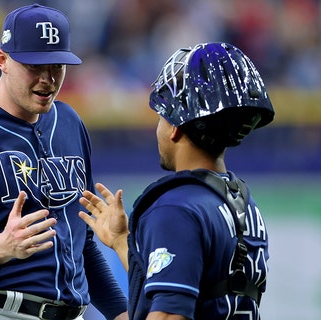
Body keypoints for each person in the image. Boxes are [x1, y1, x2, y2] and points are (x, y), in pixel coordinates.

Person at [0, 3, 128, 320]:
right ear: (2, 60)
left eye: (57, 65)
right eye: (34, 65)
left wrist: (121, 314)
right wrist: (0, 247)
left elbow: (81, 245)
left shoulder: (69, 122)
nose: (47, 79)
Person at [78, 42, 275, 319]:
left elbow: (170, 315)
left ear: (175, 128)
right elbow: (191, 287)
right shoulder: (241, 202)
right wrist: (122, 242)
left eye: (161, 117)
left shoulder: (176, 208)